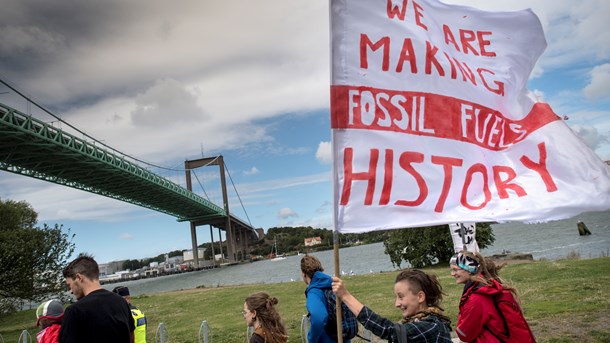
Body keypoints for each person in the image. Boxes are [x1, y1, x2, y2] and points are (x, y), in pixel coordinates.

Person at [332, 269, 453, 343]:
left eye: (401, 297)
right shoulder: (419, 321)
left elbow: (389, 330)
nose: (397, 304)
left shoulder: (431, 326)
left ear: (420, 297)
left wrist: (345, 296)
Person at [450, 251, 535, 343]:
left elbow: (465, 334)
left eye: (455, 269)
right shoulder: (489, 288)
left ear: (469, 269)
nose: (452, 274)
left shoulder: (476, 298)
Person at [59, 254, 135, 343]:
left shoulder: (74, 311)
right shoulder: (121, 301)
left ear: (79, 277)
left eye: (70, 285)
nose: (71, 291)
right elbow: (131, 337)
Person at [300, 254, 340, 343]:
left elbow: (319, 318)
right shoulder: (334, 284)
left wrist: (311, 339)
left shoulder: (314, 292)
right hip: (343, 338)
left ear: (304, 273)